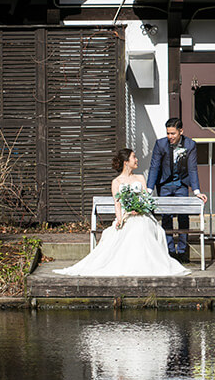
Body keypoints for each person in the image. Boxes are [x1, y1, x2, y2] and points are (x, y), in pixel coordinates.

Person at [55, 148, 189, 277]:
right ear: (126, 162)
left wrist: (141, 208)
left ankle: (146, 265)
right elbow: (117, 204)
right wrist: (120, 219)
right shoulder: (116, 182)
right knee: (129, 229)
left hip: (142, 215)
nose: (136, 160)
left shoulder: (140, 178)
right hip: (127, 216)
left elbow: (146, 198)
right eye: (134, 157)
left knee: (143, 227)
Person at [147, 117, 207, 260]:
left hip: (181, 184)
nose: (170, 137)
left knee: (183, 216)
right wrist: (149, 190)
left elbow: (192, 169)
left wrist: (196, 191)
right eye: (168, 133)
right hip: (164, 185)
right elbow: (154, 167)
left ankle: (182, 250)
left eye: (173, 133)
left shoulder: (190, 144)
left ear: (181, 131)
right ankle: (169, 250)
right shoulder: (160, 144)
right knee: (166, 217)